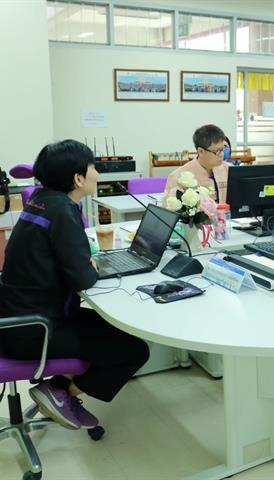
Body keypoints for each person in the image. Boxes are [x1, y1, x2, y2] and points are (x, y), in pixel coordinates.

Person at [0, 140, 149, 430]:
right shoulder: (63, 213)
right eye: (93, 167)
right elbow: (83, 278)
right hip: (35, 330)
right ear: (78, 178)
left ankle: (56, 388)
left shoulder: (40, 199)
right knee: (135, 350)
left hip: (21, 316)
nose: (97, 172)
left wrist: (83, 263)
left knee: (120, 327)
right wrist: (89, 267)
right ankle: (62, 392)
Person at [165, 124, 228, 203]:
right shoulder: (178, 177)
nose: (222, 155)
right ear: (201, 152)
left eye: (223, 149)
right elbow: (170, 211)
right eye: (217, 151)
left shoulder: (228, 170)